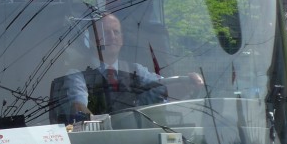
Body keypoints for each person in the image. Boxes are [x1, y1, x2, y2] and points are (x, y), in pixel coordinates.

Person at [57, 12, 203, 119]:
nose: (112, 37)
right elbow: (78, 107)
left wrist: (186, 82)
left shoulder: (136, 71)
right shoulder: (77, 74)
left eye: (116, 32)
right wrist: (97, 124)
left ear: (122, 39)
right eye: (106, 33)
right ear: (93, 39)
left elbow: (162, 87)